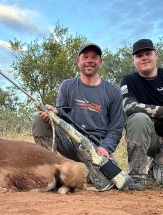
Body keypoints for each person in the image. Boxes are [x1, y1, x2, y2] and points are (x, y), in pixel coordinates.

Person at [32, 43, 124, 190]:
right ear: (78, 61)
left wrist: (105, 147)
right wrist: (51, 115)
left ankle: (91, 175)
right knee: (39, 118)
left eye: (94, 57)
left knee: (109, 184)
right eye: (85, 57)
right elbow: (61, 117)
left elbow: (116, 127)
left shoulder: (113, 91)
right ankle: (48, 172)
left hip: (95, 145)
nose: (89, 60)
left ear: (100, 61)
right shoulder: (67, 86)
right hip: (68, 139)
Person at [120, 38, 163, 191]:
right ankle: (137, 177)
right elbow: (129, 107)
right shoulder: (128, 80)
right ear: (134, 60)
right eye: (139, 55)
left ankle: (155, 169)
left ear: (156, 55)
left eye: (148, 53)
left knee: (160, 181)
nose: (144, 58)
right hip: (149, 138)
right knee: (138, 118)